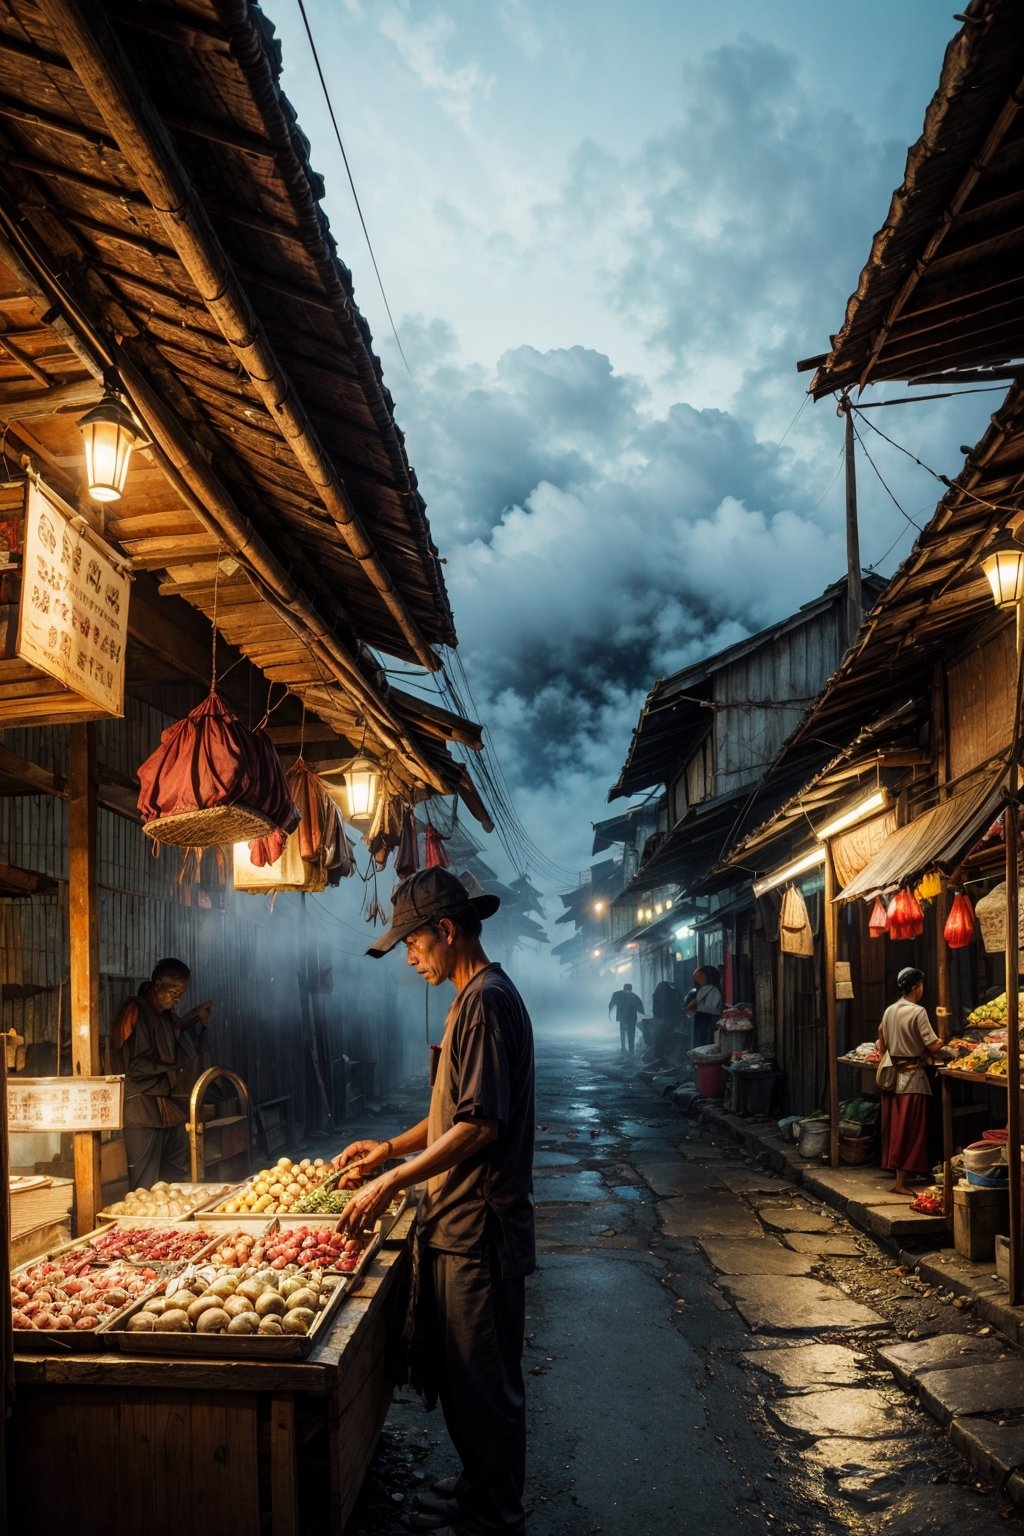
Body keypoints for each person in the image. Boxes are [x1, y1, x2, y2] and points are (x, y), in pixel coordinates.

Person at [334, 868, 535, 1536]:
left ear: (446, 931)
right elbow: (450, 1111)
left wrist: (390, 1182)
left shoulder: (485, 1002)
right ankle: (479, 1484)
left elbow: (479, 1127)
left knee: (486, 1382)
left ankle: (492, 1515)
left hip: (480, 1226)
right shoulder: (467, 999)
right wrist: (388, 1150)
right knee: (464, 1377)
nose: (410, 958)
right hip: (455, 1223)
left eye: (414, 945)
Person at [109, 958, 211, 1190]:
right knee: (144, 1184)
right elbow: (135, 1068)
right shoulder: (136, 1010)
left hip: (161, 1104)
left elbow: (177, 1040)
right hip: (139, 1105)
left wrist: (197, 1019)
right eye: (173, 992)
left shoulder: (164, 1015)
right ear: (157, 985)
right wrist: (173, 1070)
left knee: (171, 1170)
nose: (176, 998)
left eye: (181, 994)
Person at [876, 966, 946, 1196]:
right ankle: (901, 1183)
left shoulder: (889, 1010)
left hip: (892, 1078)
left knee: (896, 1129)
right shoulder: (918, 1012)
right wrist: (945, 1029)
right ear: (916, 986)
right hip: (911, 1078)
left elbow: (881, 1041)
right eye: (922, 985)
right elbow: (934, 1044)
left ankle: (902, 1178)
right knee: (910, 1129)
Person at [685, 965, 723, 1048]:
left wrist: (686, 1009)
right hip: (706, 1018)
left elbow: (695, 1002)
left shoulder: (710, 989)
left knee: (704, 1042)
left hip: (707, 1019)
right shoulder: (711, 989)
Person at [607, 981, 645, 1057]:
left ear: (624, 988)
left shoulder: (617, 995)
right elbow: (641, 1010)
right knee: (631, 1035)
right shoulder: (635, 997)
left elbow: (611, 1004)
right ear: (631, 989)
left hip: (622, 1018)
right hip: (632, 1019)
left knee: (622, 1034)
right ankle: (631, 1051)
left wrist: (610, 1011)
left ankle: (623, 1049)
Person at [651, 977, 683, 1063]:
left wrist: (657, 1018)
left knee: (660, 1039)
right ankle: (665, 1058)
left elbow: (655, 1008)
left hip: (661, 1020)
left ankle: (660, 1057)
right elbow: (675, 1007)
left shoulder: (656, 994)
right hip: (669, 1020)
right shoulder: (672, 993)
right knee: (668, 1039)